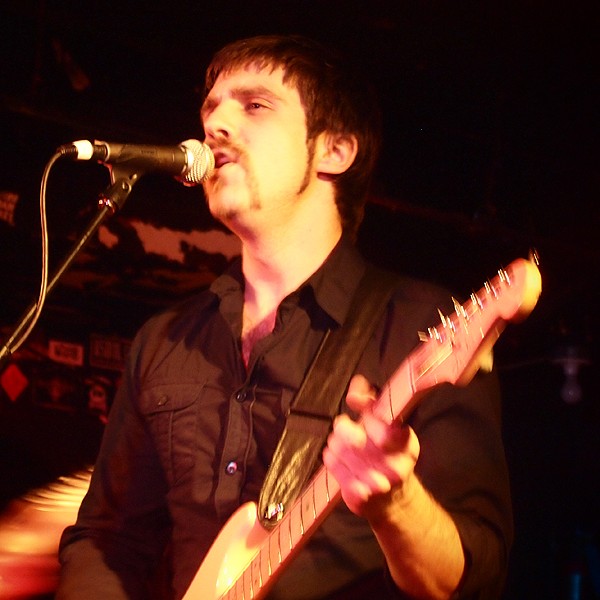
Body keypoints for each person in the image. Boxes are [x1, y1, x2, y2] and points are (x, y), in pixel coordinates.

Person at [57, 34, 513, 599]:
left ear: (335, 151)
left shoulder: (420, 325)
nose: (215, 124)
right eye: (210, 109)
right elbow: (108, 540)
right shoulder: (166, 339)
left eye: (254, 105)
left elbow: (477, 573)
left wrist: (396, 504)